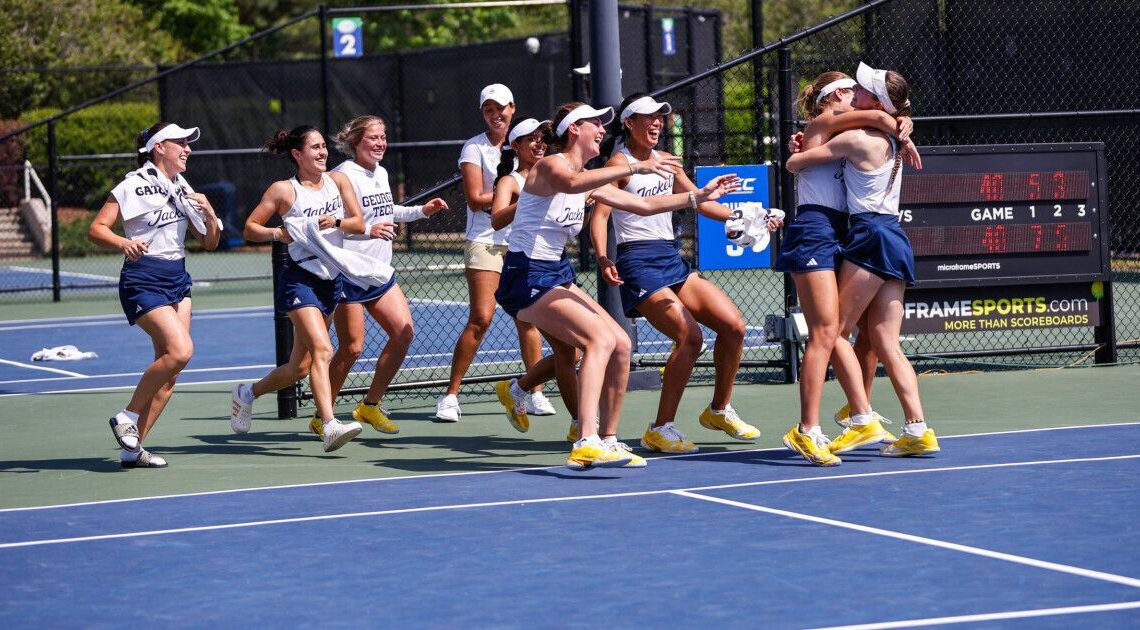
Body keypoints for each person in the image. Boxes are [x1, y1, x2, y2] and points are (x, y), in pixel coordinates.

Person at [493, 101, 740, 470]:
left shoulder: (590, 178)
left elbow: (643, 206)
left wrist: (698, 196)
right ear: (574, 129)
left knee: (620, 343)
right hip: (526, 273)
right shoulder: (552, 166)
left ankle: (607, 438)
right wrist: (636, 165)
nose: (602, 129)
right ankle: (586, 439)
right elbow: (572, 182)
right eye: (595, 123)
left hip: (555, 272)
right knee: (599, 340)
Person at [589, 93, 775, 454]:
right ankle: (660, 427)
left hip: (671, 259)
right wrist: (601, 256)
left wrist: (748, 217)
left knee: (733, 325)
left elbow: (700, 200)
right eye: (649, 117)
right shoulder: (619, 163)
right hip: (638, 263)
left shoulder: (669, 163)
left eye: (661, 117)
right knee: (689, 338)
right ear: (629, 123)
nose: (658, 122)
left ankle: (719, 409)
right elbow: (600, 215)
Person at [786, 63, 940, 457]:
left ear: (876, 101)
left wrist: (898, 123)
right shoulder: (859, 129)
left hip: (867, 235)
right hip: (889, 235)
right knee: (885, 341)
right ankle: (916, 428)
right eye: (852, 88)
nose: (858, 92)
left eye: (863, 89)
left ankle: (851, 419)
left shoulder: (855, 137)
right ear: (837, 96)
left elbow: (795, 164)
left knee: (832, 332)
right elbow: (872, 117)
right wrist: (901, 124)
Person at [229, 125, 389, 452]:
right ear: (297, 154)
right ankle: (328, 424)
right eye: (314, 148)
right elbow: (250, 228)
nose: (321, 153)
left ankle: (247, 393)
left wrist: (337, 223)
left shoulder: (338, 181)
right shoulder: (283, 191)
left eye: (322, 147)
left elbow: (359, 223)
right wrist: (278, 234)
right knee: (323, 350)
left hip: (331, 279)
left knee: (298, 368)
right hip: (299, 278)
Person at [303, 115, 449, 438]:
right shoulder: (341, 175)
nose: (380, 143)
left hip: (378, 272)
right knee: (352, 348)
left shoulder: (381, 173)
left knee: (404, 333)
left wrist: (420, 211)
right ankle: (321, 416)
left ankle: (370, 405)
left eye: (383, 137)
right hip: (349, 273)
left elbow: (387, 210)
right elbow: (330, 220)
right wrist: (366, 229)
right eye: (373, 138)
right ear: (357, 142)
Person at [89, 122, 221, 468]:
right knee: (182, 351)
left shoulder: (182, 187)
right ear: (159, 147)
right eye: (180, 142)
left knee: (171, 373)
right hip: (144, 278)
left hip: (178, 278)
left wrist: (208, 212)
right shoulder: (133, 185)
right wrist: (123, 242)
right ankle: (127, 415)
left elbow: (210, 242)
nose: (187, 149)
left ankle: (133, 450)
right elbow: (97, 228)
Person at [435, 84, 554, 422]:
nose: (495, 114)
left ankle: (533, 392)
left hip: (524, 244)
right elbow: (475, 199)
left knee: (528, 319)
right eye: (489, 109)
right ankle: (450, 395)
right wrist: (524, 193)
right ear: (483, 113)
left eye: (500, 108)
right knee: (481, 318)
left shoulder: (531, 146)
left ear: (512, 108)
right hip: (485, 241)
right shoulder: (474, 148)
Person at [487, 117, 581, 434]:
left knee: (571, 350)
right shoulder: (510, 182)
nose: (538, 144)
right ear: (516, 146)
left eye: (542, 138)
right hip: (523, 266)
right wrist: (530, 198)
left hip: (553, 263)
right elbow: (498, 218)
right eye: (531, 139)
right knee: (566, 348)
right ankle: (579, 423)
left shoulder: (557, 171)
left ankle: (518, 389)